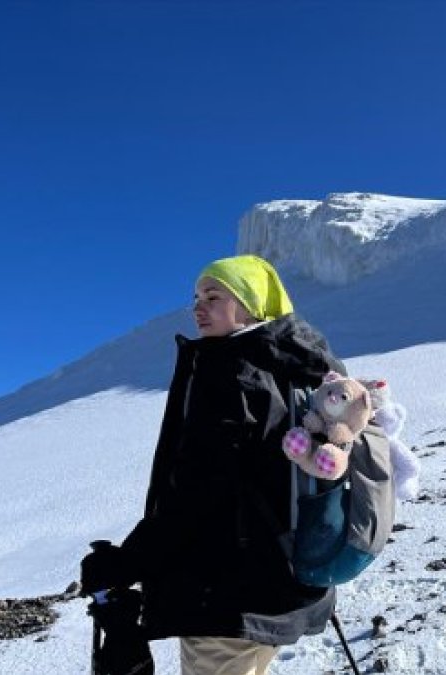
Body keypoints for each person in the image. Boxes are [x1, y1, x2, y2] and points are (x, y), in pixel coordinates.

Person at [81, 254, 346, 675]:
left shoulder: (230, 371)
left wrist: (125, 563)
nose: (197, 307)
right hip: (289, 584)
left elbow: (198, 491)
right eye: (196, 297)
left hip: (228, 595)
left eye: (214, 295)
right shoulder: (295, 365)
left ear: (251, 304)